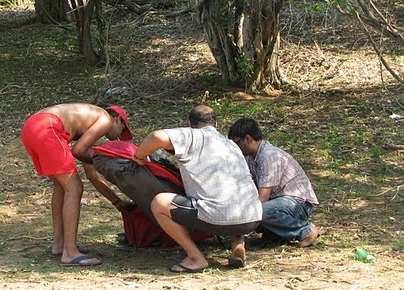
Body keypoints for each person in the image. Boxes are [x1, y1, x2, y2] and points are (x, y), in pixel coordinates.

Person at [131, 105, 262, 273]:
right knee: (227, 193)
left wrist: (139, 157)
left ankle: (195, 257)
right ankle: (238, 243)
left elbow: (156, 136)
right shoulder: (230, 144)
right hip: (252, 217)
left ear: (190, 124)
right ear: (216, 124)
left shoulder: (191, 136)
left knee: (159, 203)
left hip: (219, 217)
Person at [20, 103, 133, 267]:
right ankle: (70, 252)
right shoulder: (104, 119)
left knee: (62, 186)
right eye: (122, 130)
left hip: (32, 127)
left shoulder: (86, 123)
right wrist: (105, 161)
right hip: (48, 127)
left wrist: (116, 201)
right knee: (74, 187)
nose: (118, 137)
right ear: (117, 120)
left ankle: (59, 245)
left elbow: (92, 174)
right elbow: (78, 151)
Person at [228, 117, 321, 247]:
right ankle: (275, 237)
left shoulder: (268, 156)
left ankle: (305, 231)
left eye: (237, 143)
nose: (236, 148)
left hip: (298, 203)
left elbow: (262, 198)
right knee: (251, 210)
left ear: (248, 138)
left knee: (259, 211)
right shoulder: (251, 157)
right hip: (279, 201)